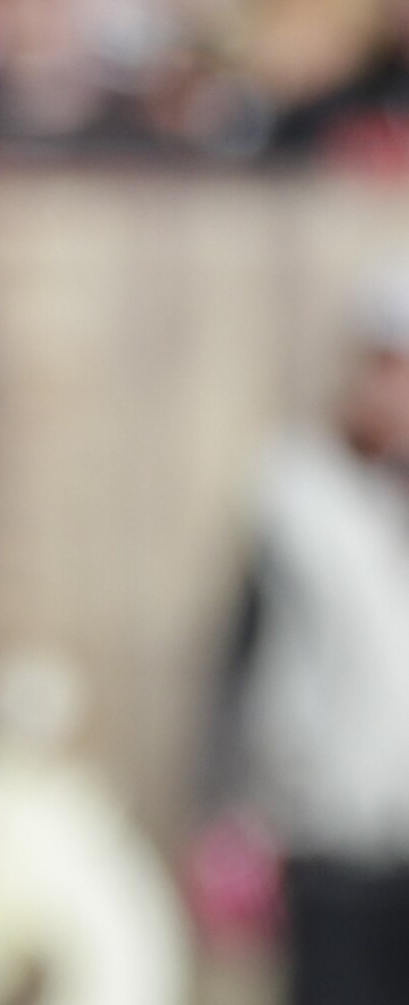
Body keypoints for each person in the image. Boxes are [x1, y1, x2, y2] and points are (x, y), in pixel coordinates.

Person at [189, 266, 409, 1005]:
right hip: (330, 847)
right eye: (389, 367)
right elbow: (240, 661)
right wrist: (228, 810)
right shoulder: (298, 498)